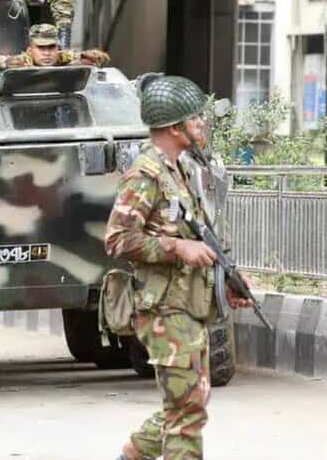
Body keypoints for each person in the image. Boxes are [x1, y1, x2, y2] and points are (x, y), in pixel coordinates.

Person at [104, 74, 252, 460]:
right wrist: (176, 247)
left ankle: (134, 453)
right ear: (174, 127)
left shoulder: (180, 170)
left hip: (189, 303)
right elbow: (117, 239)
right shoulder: (145, 175)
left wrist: (227, 278)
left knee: (191, 400)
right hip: (163, 309)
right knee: (187, 412)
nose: (201, 124)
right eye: (195, 119)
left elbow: (201, 236)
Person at [0, 23, 111, 70]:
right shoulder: (22, 61)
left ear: (58, 49)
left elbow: (99, 58)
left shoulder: (62, 57)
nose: (47, 53)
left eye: (51, 47)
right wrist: (5, 62)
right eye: (41, 48)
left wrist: (89, 57)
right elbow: (1, 62)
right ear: (29, 50)